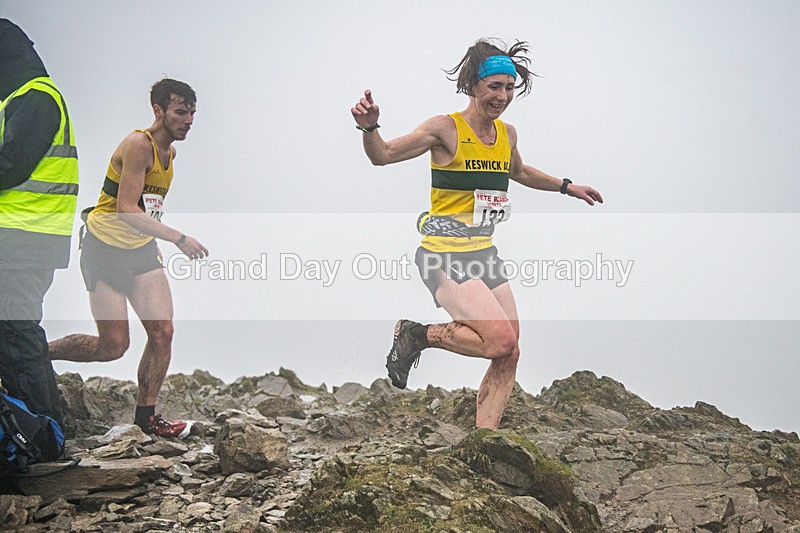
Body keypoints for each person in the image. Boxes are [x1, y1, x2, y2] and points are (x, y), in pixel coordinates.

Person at [350, 39, 603, 429]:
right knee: (499, 340)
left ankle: (486, 438)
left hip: (484, 254)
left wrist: (566, 186)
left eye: (509, 87)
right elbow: (382, 155)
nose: (502, 96)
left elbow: (518, 172)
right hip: (443, 255)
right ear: (472, 86)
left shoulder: (507, 135)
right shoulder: (444, 129)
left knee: (510, 351)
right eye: (494, 87)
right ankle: (419, 335)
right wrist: (369, 127)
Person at [49, 79, 208, 438]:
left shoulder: (171, 154)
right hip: (103, 249)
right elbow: (124, 209)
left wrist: (154, 240)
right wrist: (179, 239)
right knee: (113, 346)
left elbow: (147, 208)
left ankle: (147, 418)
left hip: (139, 251)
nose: (188, 120)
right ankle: (35, 355)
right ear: (158, 111)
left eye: (192, 112)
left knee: (163, 331)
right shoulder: (139, 145)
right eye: (180, 112)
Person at [0, 19, 79, 427]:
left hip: (22, 240)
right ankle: (41, 428)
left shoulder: (35, 97)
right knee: (16, 331)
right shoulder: (22, 97)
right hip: (27, 238)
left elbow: (10, 165)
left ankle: (40, 435)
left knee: (15, 334)